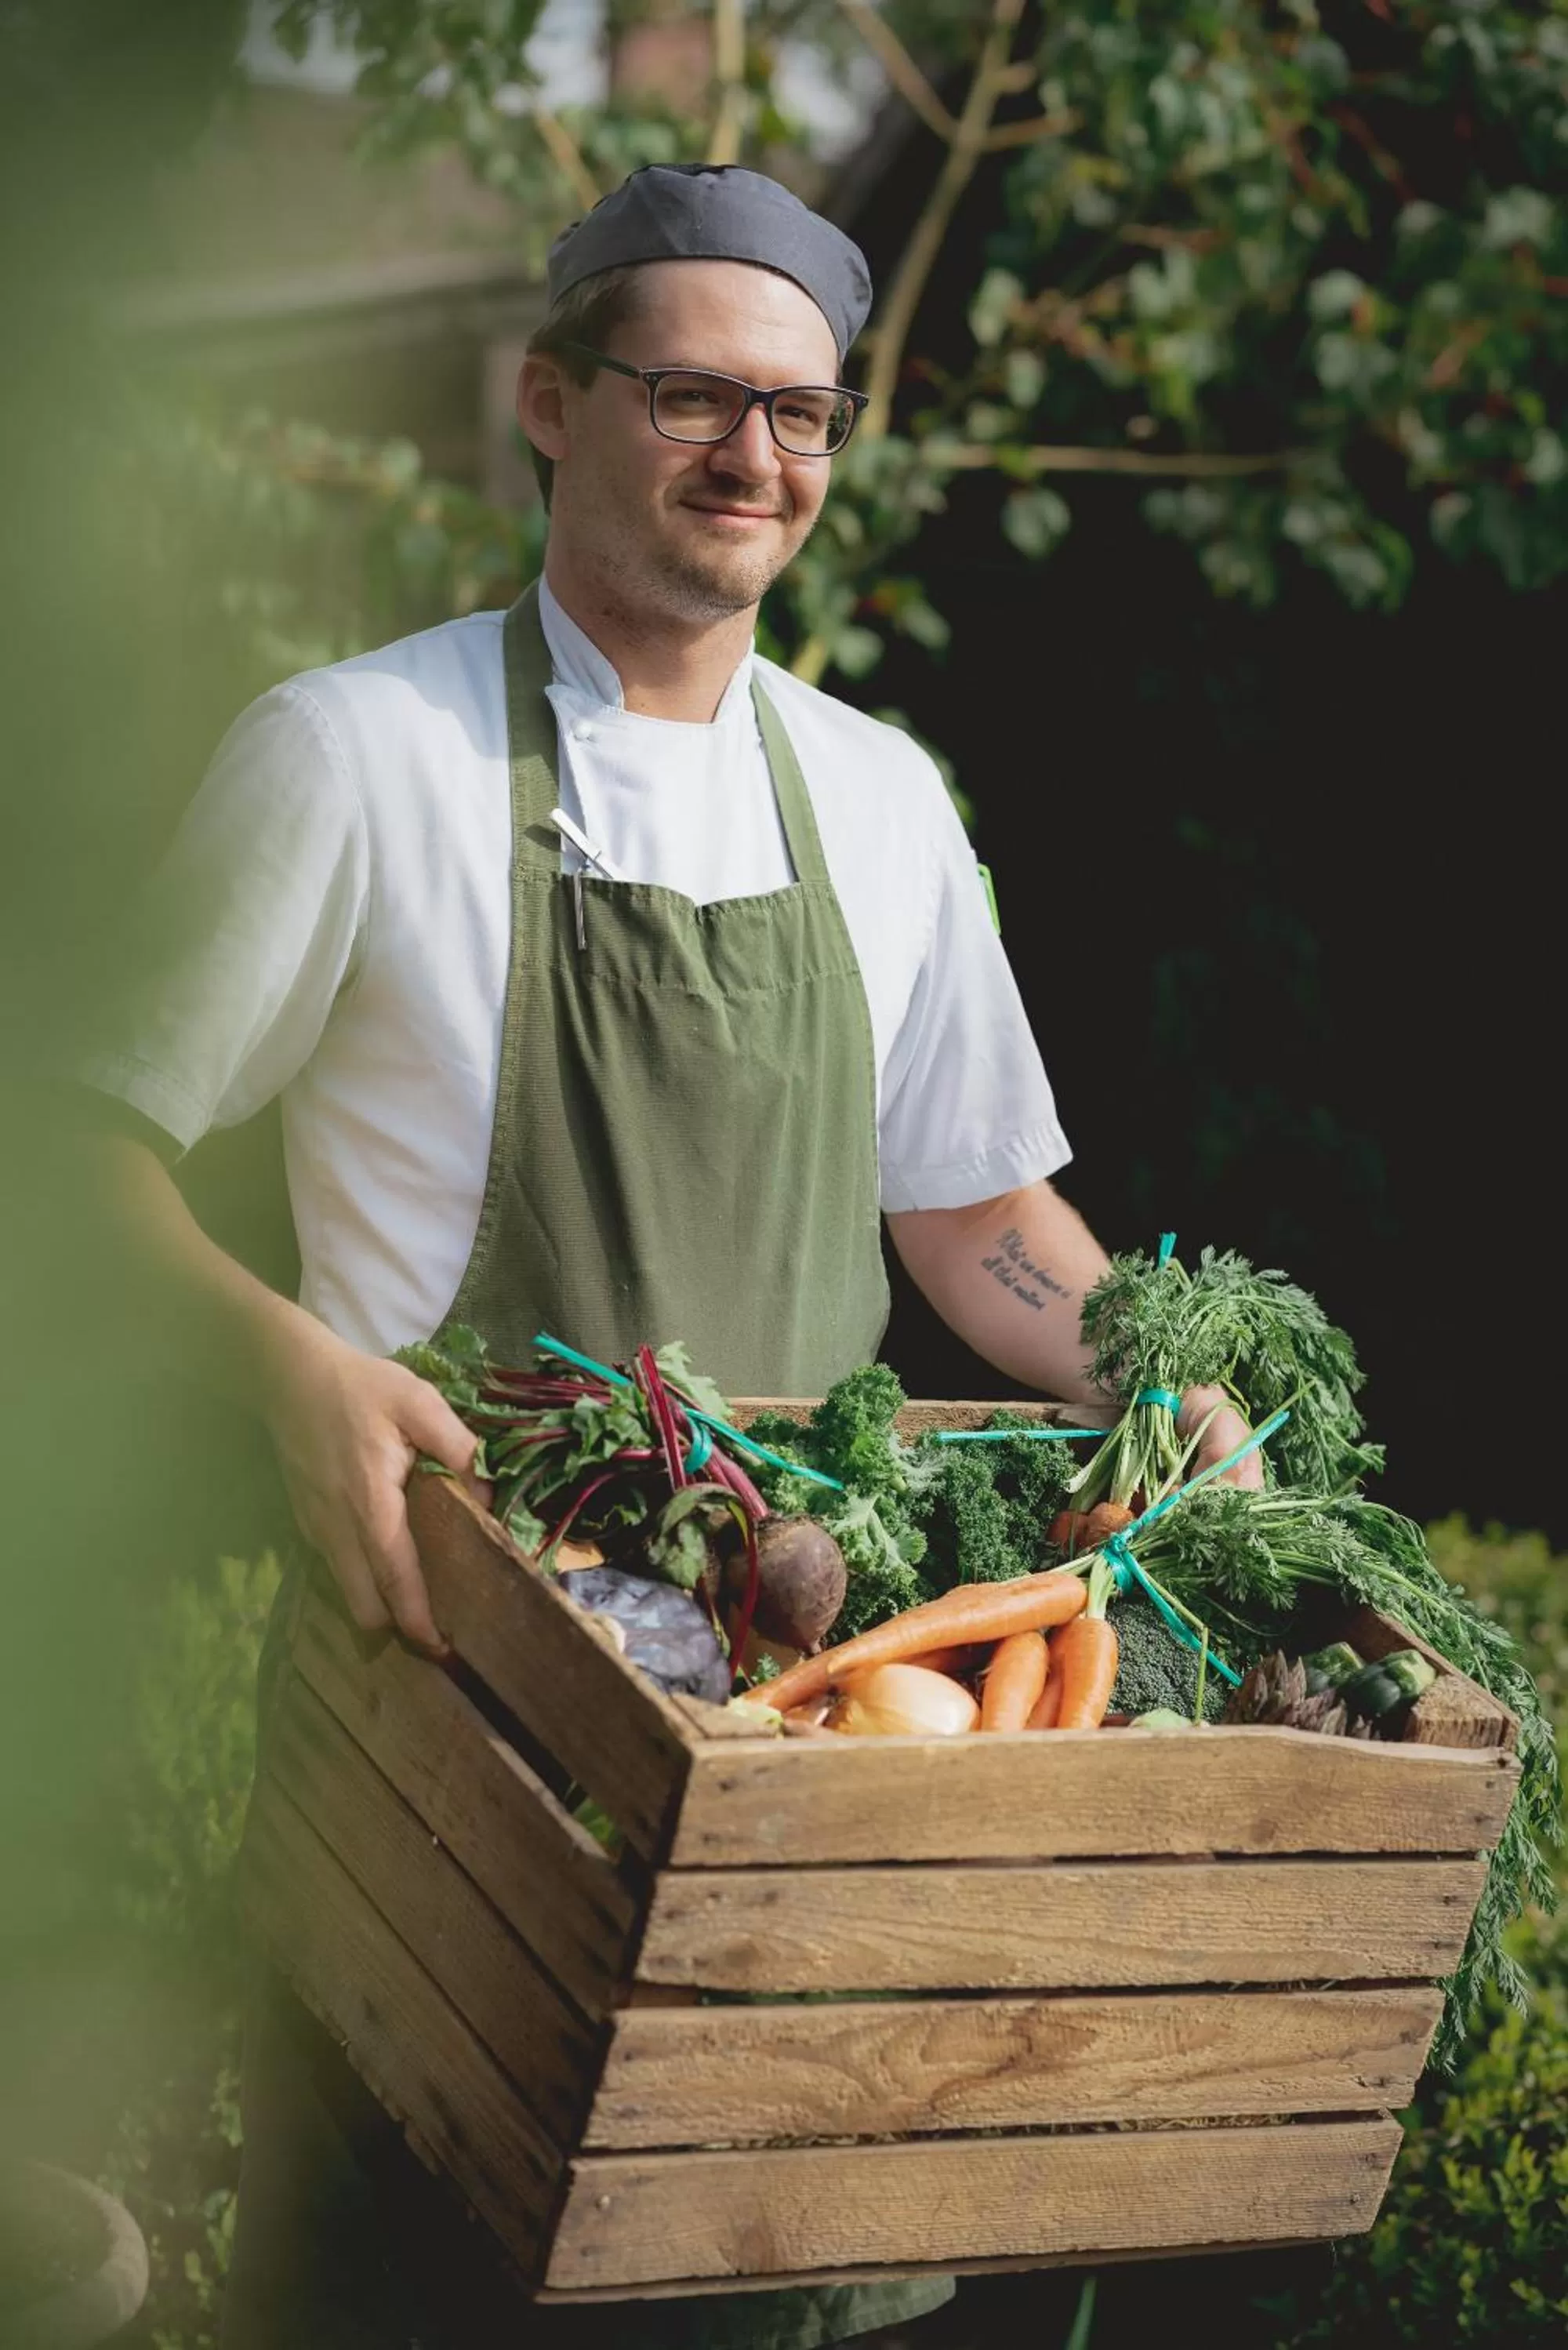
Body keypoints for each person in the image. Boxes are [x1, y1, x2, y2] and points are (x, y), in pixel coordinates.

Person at [85, 163, 1258, 2350]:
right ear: (549, 400)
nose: (760, 458)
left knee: (778, 2270)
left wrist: (1148, 1373)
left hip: (807, 1741)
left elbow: (974, 1213)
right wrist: (286, 1363)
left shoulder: (885, 800)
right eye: (697, 396)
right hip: (454, 1732)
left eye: (806, 413)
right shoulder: (356, 756)